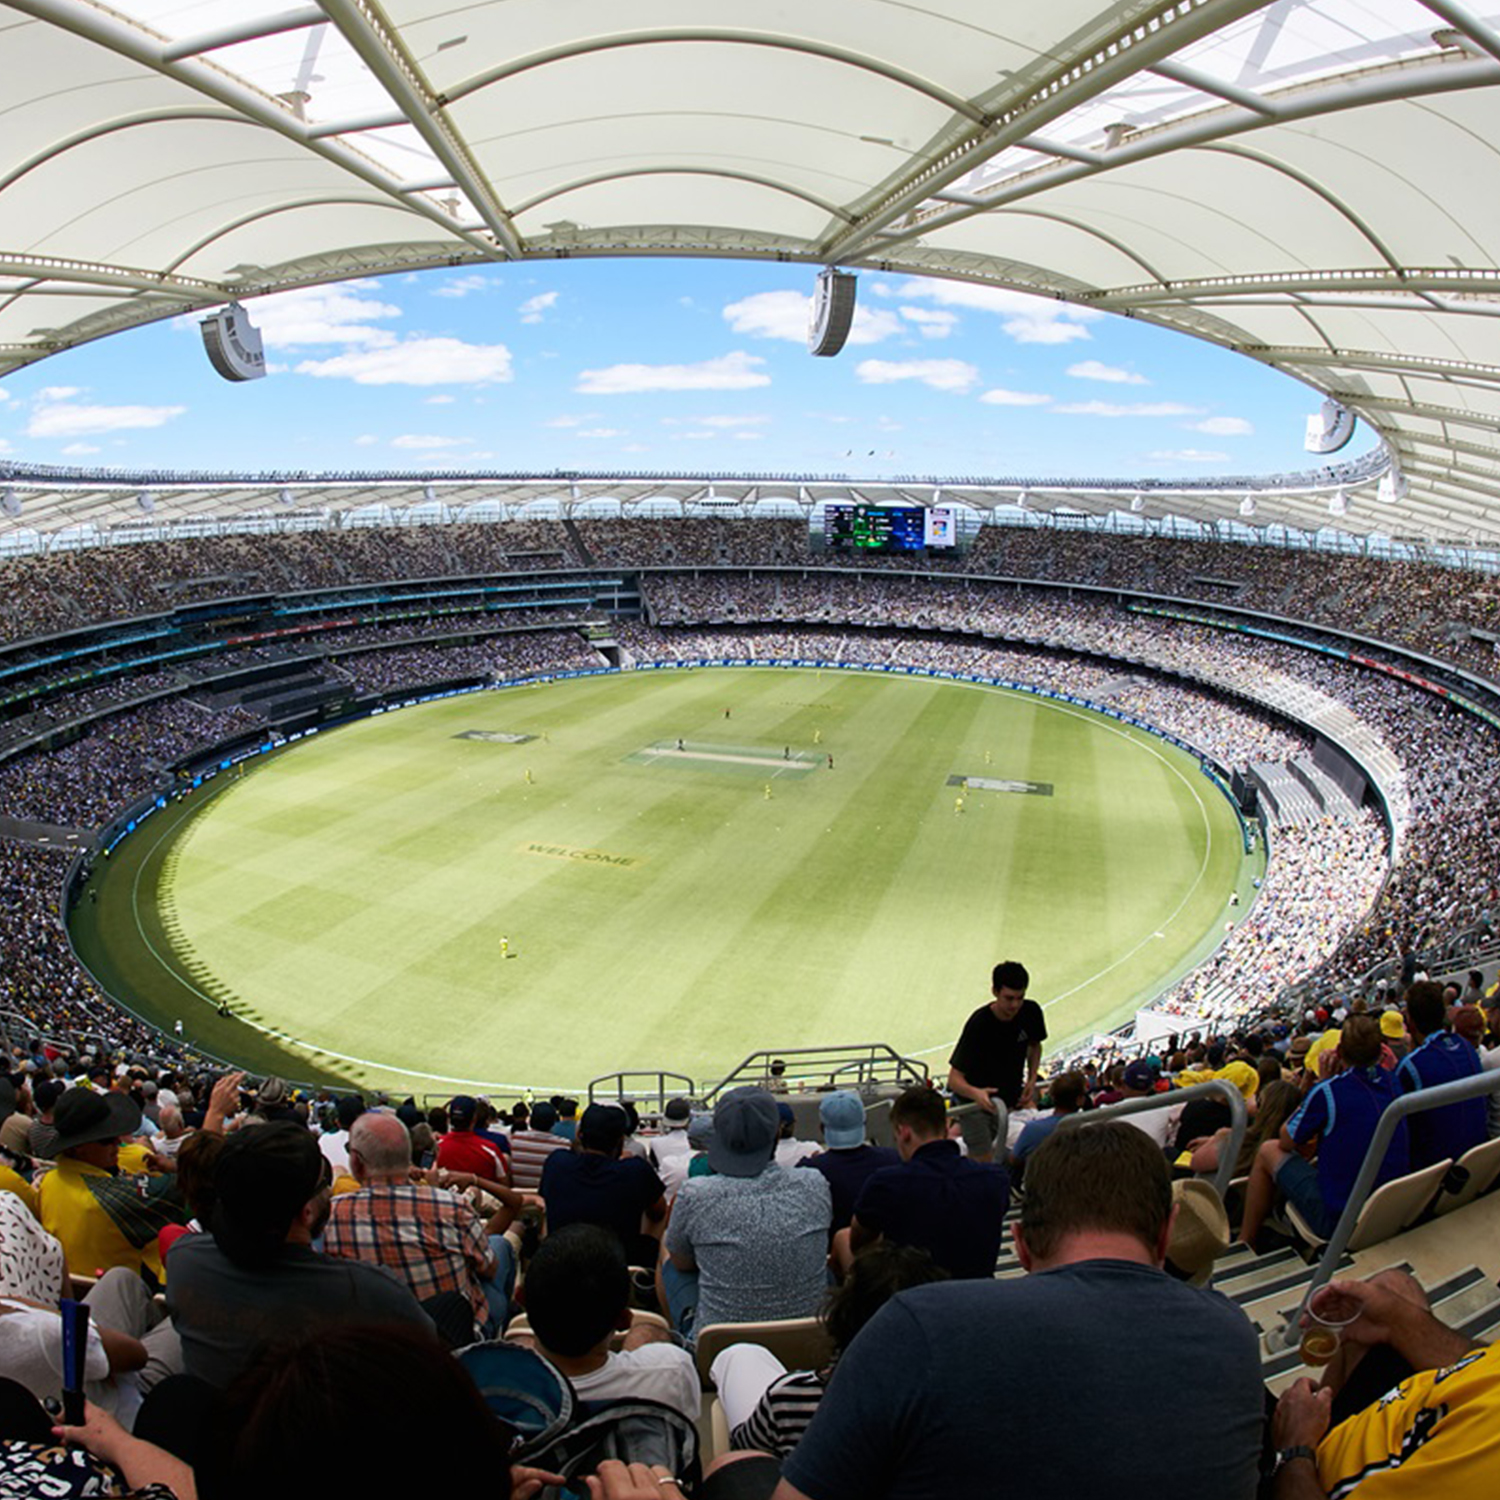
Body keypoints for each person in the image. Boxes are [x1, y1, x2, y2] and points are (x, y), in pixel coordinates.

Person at [772, 1123, 1264, 1500]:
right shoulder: (1233, 1334)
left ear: (1022, 1245)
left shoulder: (920, 1322)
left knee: (740, 1463)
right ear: (1166, 1231)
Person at [165, 1120, 433, 1388]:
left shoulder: (183, 1259)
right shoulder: (368, 1291)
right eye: (323, 1183)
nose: (329, 1190)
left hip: (222, 1419)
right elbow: (431, 1350)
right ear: (307, 1212)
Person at [1270, 1269, 1500, 1496]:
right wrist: (1393, 1321)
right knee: (1394, 1284)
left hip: (1310, 1476)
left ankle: (1313, 1423)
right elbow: (1479, 1364)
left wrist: (1294, 1447)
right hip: (1414, 1408)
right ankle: (1322, 1406)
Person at [322, 1110, 522, 1338]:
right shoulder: (452, 1207)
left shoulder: (331, 1214)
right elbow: (489, 1267)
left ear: (356, 1163)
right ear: (407, 1158)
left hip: (373, 1343)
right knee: (499, 1245)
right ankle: (497, 1337)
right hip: (450, 1339)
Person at [659, 1088, 831, 1343]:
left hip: (721, 1350)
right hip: (807, 1343)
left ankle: (682, 1339)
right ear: (776, 1132)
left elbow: (681, 1262)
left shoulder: (696, 1194)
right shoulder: (814, 1183)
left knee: (665, 1248)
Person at [1239, 1014, 1409, 1248]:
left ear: (1339, 1052)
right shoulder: (1394, 1081)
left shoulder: (1329, 1091)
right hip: (1387, 1210)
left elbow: (1286, 1139)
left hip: (1340, 1220)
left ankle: (1244, 1240)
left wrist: (1322, 1082)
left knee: (1268, 1150)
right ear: (1381, 1051)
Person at [522, 1223, 699, 1423]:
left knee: (521, 1341)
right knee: (647, 1332)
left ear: (522, 1300)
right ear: (624, 1320)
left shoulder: (490, 1386)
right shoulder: (673, 1369)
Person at [833, 1085, 1009, 1280]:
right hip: (978, 1290)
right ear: (946, 1125)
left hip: (910, 1297)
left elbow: (858, 1243)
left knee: (843, 1238)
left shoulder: (886, 1183)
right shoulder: (995, 1178)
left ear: (903, 1132)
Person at [34, 1087, 188, 1283]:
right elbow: (185, 1186)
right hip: (126, 1300)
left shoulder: (48, 1182)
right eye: (107, 1139)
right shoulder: (113, 1197)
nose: (118, 1142)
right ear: (79, 1147)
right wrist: (214, 1116)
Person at [540, 1103, 667, 1266]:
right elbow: (659, 1212)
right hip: (619, 1266)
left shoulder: (556, 1162)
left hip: (561, 1265)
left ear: (579, 1134)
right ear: (621, 1140)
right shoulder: (635, 1170)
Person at [947, 959, 1047, 1160]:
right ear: (994, 991)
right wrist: (976, 1093)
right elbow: (954, 1080)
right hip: (975, 1105)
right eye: (1009, 998)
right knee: (982, 1160)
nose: (1015, 1005)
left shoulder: (1031, 1011)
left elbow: (1035, 1045)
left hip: (1007, 1102)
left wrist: (1032, 1078)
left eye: (1020, 998)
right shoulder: (979, 1024)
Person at [1396, 980, 1487, 1169]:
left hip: (1436, 1171)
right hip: (1478, 1161)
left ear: (1410, 1022)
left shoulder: (1411, 1067)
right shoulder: (1467, 1048)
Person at [796, 1091, 898, 1233]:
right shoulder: (894, 1160)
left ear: (822, 1128)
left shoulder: (808, 1171)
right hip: (887, 1252)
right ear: (864, 1123)